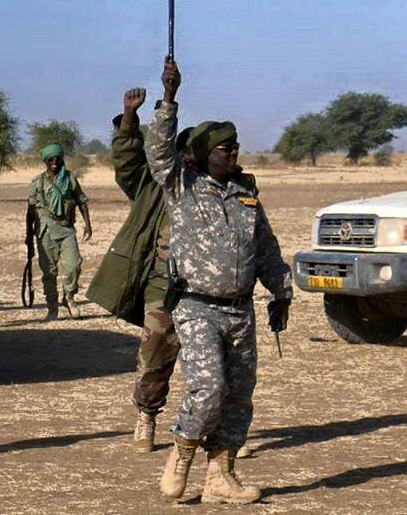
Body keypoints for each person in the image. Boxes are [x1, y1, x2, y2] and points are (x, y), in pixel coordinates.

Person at [147, 59, 292, 504]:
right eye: (224, 148)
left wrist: (281, 291)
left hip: (240, 310)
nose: (233, 153)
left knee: (238, 396)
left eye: (235, 146)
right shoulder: (183, 186)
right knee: (207, 388)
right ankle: (182, 452)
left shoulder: (246, 193)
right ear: (205, 153)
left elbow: (264, 246)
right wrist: (169, 98)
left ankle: (220, 477)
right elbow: (158, 151)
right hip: (196, 306)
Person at [87, 87, 259, 454]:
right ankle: (147, 414)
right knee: (156, 357)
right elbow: (130, 159)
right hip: (165, 287)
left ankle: (223, 433)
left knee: (221, 369)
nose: (184, 159)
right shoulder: (158, 186)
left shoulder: (230, 188)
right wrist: (131, 117)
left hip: (210, 294)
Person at [25, 143, 92, 320]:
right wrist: (28, 237)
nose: (54, 162)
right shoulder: (37, 182)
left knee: (74, 266)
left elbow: (81, 201)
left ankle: (69, 298)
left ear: (62, 159)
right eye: (50, 159)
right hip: (45, 232)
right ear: (45, 161)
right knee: (49, 272)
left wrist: (87, 224)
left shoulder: (70, 179)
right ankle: (52, 307)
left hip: (67, 230)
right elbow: (30, 212)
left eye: (57, 159)